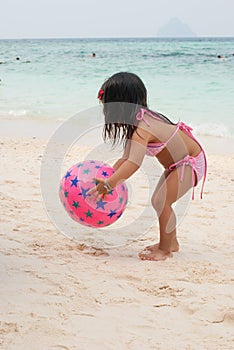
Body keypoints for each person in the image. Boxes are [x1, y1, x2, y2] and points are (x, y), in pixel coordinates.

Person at [90, 72, 207, 261]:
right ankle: (172, 242)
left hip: (190, 162)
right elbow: (126, 158)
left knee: (162, 202)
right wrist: (108, 176)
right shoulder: (136, 124)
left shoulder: (143, 129)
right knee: (158, 201)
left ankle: (165, 249)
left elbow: (134, 164)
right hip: (177, 164)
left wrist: (110, 184)